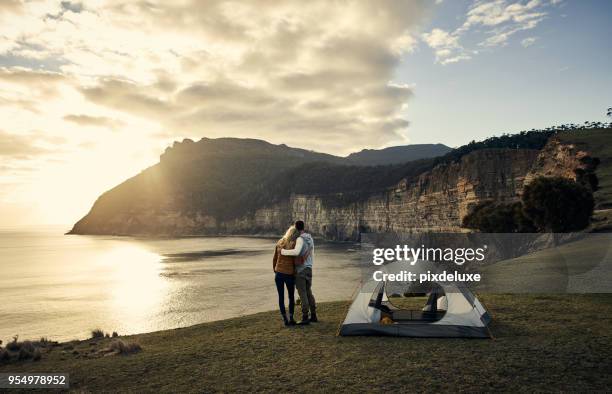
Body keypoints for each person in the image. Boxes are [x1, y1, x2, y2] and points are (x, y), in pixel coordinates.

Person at [281, 220, 317, 325]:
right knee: (309, 291)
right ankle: (314, 315)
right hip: (309, 268)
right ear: (304, 227)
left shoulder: (300, 239)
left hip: (301, 270)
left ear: (296, 228)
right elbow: (312, 253)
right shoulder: (310, 238)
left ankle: (305, 316)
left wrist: (283, 251)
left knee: (302, 293)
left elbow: (296, 252)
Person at [273, 225, 299, 326]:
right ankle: (291, 318)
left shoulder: (280, 241)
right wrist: (296, 273)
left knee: (281, 297)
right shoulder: (294, 244)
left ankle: (285, 319)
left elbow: (274, 258)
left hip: (279, 273)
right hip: (289, 274)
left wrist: (275, 270)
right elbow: (295, 261)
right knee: (291, 297)